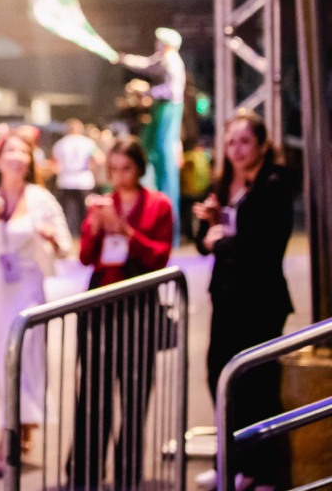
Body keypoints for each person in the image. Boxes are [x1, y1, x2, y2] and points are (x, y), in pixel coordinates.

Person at [0, 126, 71, 478]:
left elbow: (65, 247)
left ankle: (6, 442)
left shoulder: (40, 199)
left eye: (24, 152)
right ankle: (21, 426)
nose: (17, 158)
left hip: (25, 294)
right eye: (11, 152)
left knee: (18, 365)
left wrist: (51, 239)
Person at [193, 112, 294, 491]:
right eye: (231, 142)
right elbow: (204, 237)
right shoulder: (223, 182)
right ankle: (230, 463)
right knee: (219, 377)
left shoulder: (274, 183)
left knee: (258, 387)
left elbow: (264, 245)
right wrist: (208, 224)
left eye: (245, 142)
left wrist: (219, 241)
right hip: (226, 295)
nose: (236, 150)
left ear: (263, 145)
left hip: (261, 299)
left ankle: (263, 472)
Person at [67, 136, 173, 491]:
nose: (119, 176)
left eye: (126, 168)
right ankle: (85, 472)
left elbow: (159, 256)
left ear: (139, 169)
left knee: (135, 394)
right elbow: (85, 256)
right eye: (113, 169)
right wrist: (96, 228)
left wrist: (126, 231)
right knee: (93, 394)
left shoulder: (158, 205)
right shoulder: (101, 203)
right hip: (98, 308)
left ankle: (128, 473)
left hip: (138, 307)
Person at [120, 27, 186, 239]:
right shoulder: (164, 59)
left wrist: (148, 92)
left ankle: (170, 228)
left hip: (168, 109)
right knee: (155, 157)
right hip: (163, 109)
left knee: (164, 160)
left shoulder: (172, 60)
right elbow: (147, 65)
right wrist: (123, 59)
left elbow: (172, 89)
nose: (156, 44)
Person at [51, 118, 103, 236]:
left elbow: (54, 164)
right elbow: (99, 158)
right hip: (84, 180)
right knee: (85, 214)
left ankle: (71, 240)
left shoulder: (59, 144)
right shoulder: (87, 142)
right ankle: (86, 237)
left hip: (65, 180)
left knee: (69, 215)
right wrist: (91, 167)